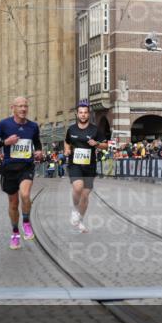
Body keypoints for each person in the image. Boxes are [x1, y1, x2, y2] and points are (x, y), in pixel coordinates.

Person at [0, 96, 43, 250]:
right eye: (20, 106)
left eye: (25, 106)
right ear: (13, 108)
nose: (23, 109)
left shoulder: (33, 126)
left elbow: (37, 142)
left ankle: (26, 222)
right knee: (13, 203)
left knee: (25, 195)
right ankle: (15, 232)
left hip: (26, 166)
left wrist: (38, 151)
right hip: (9, 169)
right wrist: (5, 142)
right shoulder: (4, 125)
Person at [64, 100, 109, 233]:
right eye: (80, 113)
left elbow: (106, 144)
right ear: (77, 114)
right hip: (75, 164)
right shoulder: (71, 129)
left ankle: (80, 219)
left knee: (85, 195)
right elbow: (66, 142)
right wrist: (66, 150)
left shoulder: (95, 129)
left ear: (89, 114)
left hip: (90, 166)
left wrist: (96, 144)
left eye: (85, 113)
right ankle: (74, 210)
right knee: (77, 188)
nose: (83, 115)